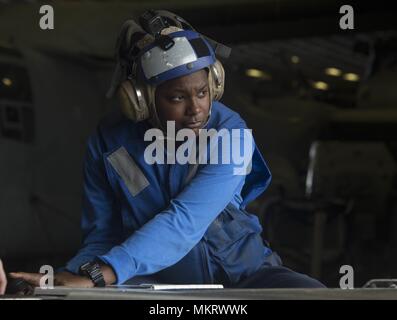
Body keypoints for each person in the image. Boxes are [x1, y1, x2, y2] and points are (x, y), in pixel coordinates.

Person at [10, 10, 325, 289]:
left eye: (202, 92)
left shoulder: (231, 133)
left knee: (314, 296)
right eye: (177, 98)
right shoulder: (109, 142)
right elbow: (103, 235)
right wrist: (64, 279)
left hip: (245, 277)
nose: (196, 110)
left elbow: (184, 221)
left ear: (215, 83)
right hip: (158, 284)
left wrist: (98, 274)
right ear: (142, 100)